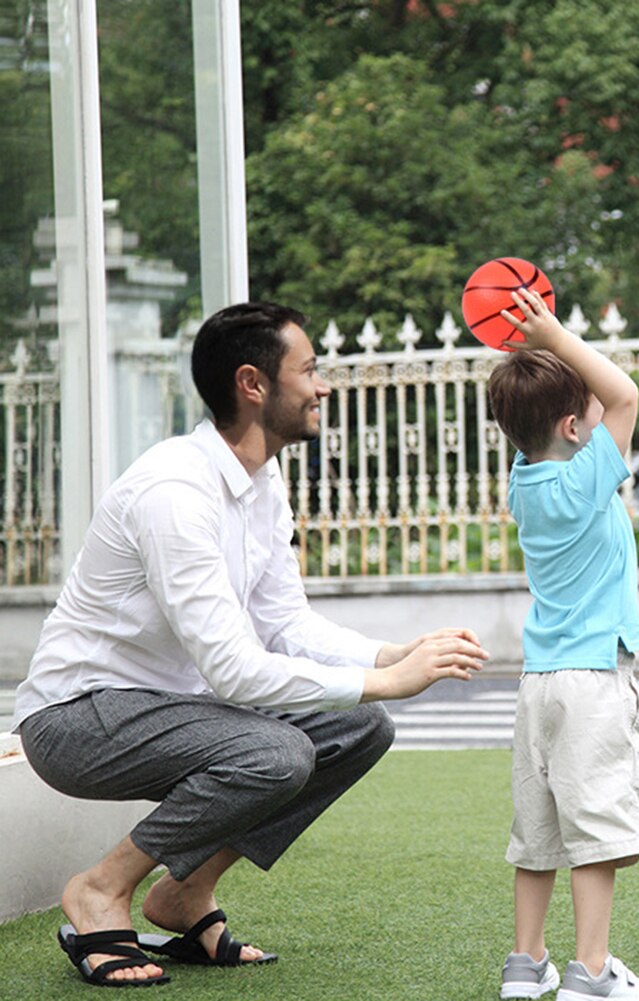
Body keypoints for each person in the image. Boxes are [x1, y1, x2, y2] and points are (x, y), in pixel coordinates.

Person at [11, 301, 489, 988]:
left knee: (356, 726)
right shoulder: (175, 491)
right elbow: (234, 670)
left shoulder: (261, 480)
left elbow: (284, 622)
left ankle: (183, 891)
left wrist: (388, 655)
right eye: (310, 369)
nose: (323, 385)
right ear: (253, 383)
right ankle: (98, 888)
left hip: (169, 707)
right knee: (277, 751)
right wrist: (390, 678)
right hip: (77, 717)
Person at [487, 290, 639, 1001]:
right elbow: (625, 392)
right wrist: (554, 334)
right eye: (585, 408)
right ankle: (590, 973)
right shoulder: (585, 477)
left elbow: (601, 401)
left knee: (537, 835)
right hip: (592, 681)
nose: (601, 408)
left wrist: (538, 353)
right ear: (572, 424)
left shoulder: (524, 482)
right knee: (595, 837)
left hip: (538, 684)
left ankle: (525, 965)